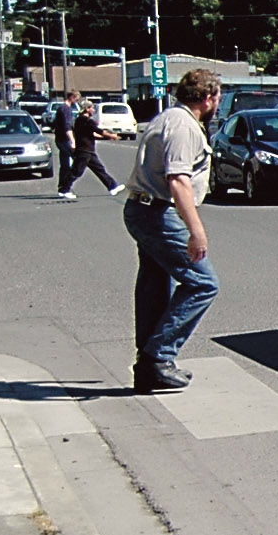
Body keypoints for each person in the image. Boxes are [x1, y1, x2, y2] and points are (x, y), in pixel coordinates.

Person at [122, 69, 222, 394]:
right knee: (203, 283)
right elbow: (178, 180)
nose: (218, 103)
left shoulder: (168, 117)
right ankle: (157, 356)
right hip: (157, 211)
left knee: (154, 283)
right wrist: (197, 231)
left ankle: (149, 367)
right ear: (208, 98)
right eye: (217, 97)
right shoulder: (182, 127)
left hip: (145, 209)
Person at [58, 95, 124, 198]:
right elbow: (99, 131)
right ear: (87, 109)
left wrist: (106, 137)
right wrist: (112, 136)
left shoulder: (80, 120)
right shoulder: (86, 120)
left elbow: (92, 134)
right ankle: (64, 189)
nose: (93, 110)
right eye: (92, 108)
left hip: (88, 150)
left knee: (99, 169)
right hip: (84, 150)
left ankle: (112, 187)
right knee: (77, 171)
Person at [52, 91, 79, 200]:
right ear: (72, 97)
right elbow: (67, 126)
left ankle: (62, 187)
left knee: (65, 164)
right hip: (64, 140)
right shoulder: (66, 109)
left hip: (60, 139)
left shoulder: (61, 108)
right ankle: (66, 188)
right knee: (77, 161)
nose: (77, 102)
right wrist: (72, 140)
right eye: (77, 99)